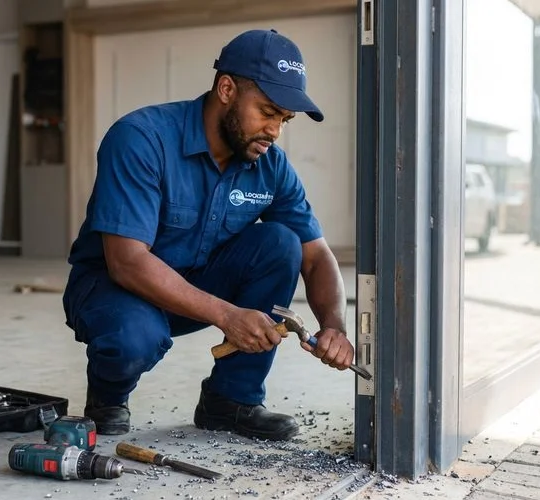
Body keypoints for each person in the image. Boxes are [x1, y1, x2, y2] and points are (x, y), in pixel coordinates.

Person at [62, 28, 354, 442]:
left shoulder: (271, 164)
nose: (275, 131)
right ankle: (107, 397)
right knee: (135, 337)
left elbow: (315, 255)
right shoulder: (142, 138)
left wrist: (335, 326)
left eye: (284, 120)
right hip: (114, 288)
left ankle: (230, 401)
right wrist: (228, 315)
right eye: (268, 111)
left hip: (196, 284)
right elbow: (126, 261)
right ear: (227, 88)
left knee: (280, 243)